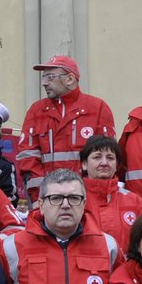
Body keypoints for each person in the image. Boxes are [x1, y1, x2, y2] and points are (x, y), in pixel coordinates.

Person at [16, 55, 116, 204]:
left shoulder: (98, 108)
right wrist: (41, 198)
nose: (44, 83)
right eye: (44, 78)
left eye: (50, 77)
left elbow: (106, 158)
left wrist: (89, 197)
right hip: (47, 200)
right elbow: (27, 158)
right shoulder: (36, 111)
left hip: (89, 200)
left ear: (70, 79)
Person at [80, 135, 142, 240]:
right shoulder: (74, 200)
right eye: (97, 157)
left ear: (116, 166)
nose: (104, 163)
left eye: (110, 158)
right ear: (84, 164)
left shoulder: (136, 203)